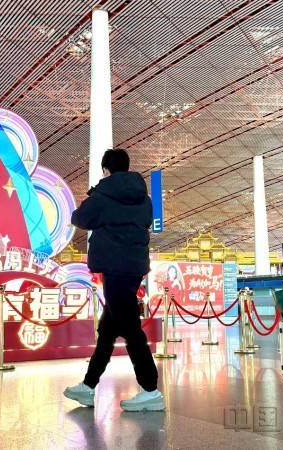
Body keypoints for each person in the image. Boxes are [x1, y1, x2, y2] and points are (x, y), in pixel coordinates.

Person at [63, 149, 165, 412]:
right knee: (108, 329)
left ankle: (151, 390)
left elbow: (81, 219)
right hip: (134, 269)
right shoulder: (144, 198)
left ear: (106, 170)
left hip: (114, 269)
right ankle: (88, 386)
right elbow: (145, 222)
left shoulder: (103, 195)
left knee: (131, 329)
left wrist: (91, 199)